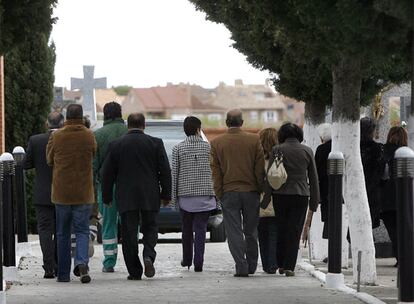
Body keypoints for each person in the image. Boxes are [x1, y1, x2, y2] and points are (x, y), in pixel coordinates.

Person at [102, 113, 171, 280]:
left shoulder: (116, 145)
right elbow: (165, 171)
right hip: (150, 194)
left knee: (129, 233)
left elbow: (107, 173)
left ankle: (134, 271)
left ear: (128, 125)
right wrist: (166, 194)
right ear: (144, 125)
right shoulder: (155, 143)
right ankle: (148, 255)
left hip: (126, 196)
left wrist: (106, 197)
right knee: (150, 228)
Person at [210, 109, 265, 277]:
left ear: (227, 122)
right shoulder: (254, 140)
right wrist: (259, 189)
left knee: (234, 232)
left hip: (229, 192)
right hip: (251, 192)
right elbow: (259, 168)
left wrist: (219, 192)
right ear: (242, 122)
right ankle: (252, 265)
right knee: (251, 230)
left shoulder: (217, 142)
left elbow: (216, 171)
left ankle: (241, 265)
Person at [46, 104, 97, 284]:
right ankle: (82, 263)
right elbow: (93, 154)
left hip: (62, 192)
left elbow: (49, 159)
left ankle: (63, 274)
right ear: (82, 116)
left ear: (66, 116)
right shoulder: (89, 135)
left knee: (62, 233)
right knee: (82, 230)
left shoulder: (57, 136)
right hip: (83, 192)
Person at [262, 123, 319, 277]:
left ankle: (280, 263)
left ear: (282, 135)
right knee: (294, 230)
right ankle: (289, 267)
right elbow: (313, 178)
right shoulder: (307, 151)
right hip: (301, 195)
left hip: (280, 195)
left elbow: (270, 176)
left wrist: (266, 199)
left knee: (282, 228)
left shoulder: (277, 149)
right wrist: (314, 201)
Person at [171, 116, 216, 272]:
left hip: (185, 197)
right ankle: (199, 262)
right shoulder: (209, 147)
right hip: (205, 196)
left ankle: (187, 259)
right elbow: (215, 171)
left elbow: (174, 174)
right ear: (198, 129)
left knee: (187, 229)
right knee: (201, 229)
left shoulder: (178, 148)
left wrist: (174, 200)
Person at [24, 112, 64, 279]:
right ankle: (57, 262)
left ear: (47, 123)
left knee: (45, 230)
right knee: (61, 230)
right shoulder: (65, 139)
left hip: (42, 193)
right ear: (62, 124)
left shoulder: (36, 140)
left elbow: (26, 163)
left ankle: (48, 267)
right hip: (63, 193)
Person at [93, 102, 128, 273]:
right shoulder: (130, 132)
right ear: (120, 114)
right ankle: (132, 259)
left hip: (106, 187)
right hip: (129, 186)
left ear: (105, 115)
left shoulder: (98, 135)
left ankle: (109, 262)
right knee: (130, 224)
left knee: (108, 224)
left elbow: (94, 165)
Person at [381, 126, 407, 266]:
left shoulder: (384, 152)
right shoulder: (407, 153)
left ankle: (399, 256)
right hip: (404, 197)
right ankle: (404, 256)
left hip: (387, 198)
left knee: (393, 230)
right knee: (404, 228)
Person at [257, 128, 278, 274]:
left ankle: (266, 264)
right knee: (274, 234)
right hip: (276, 201)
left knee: (262, 234)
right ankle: (273, 263)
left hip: (259, 202)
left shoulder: (256, 159)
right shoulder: (278, 159)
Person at [360, 117, 384, 229]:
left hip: (357, 189)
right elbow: (381, 171)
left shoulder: (355, 147)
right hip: (372, 190)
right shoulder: (377, 148)